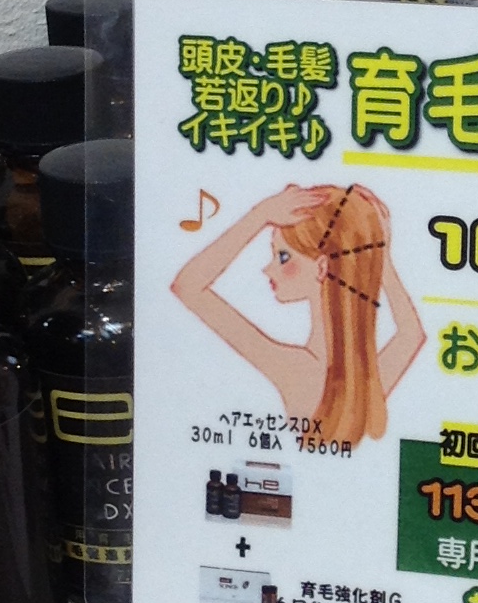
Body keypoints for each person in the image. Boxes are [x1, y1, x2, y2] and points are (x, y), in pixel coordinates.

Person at [171, 182, 424, 448]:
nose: (267, 269)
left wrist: (260, 215)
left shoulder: (300, 370)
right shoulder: (364, 378)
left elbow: (188, 286)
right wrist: (378, 256)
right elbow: (411, 333)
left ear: (322, 267)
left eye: (283, 257)